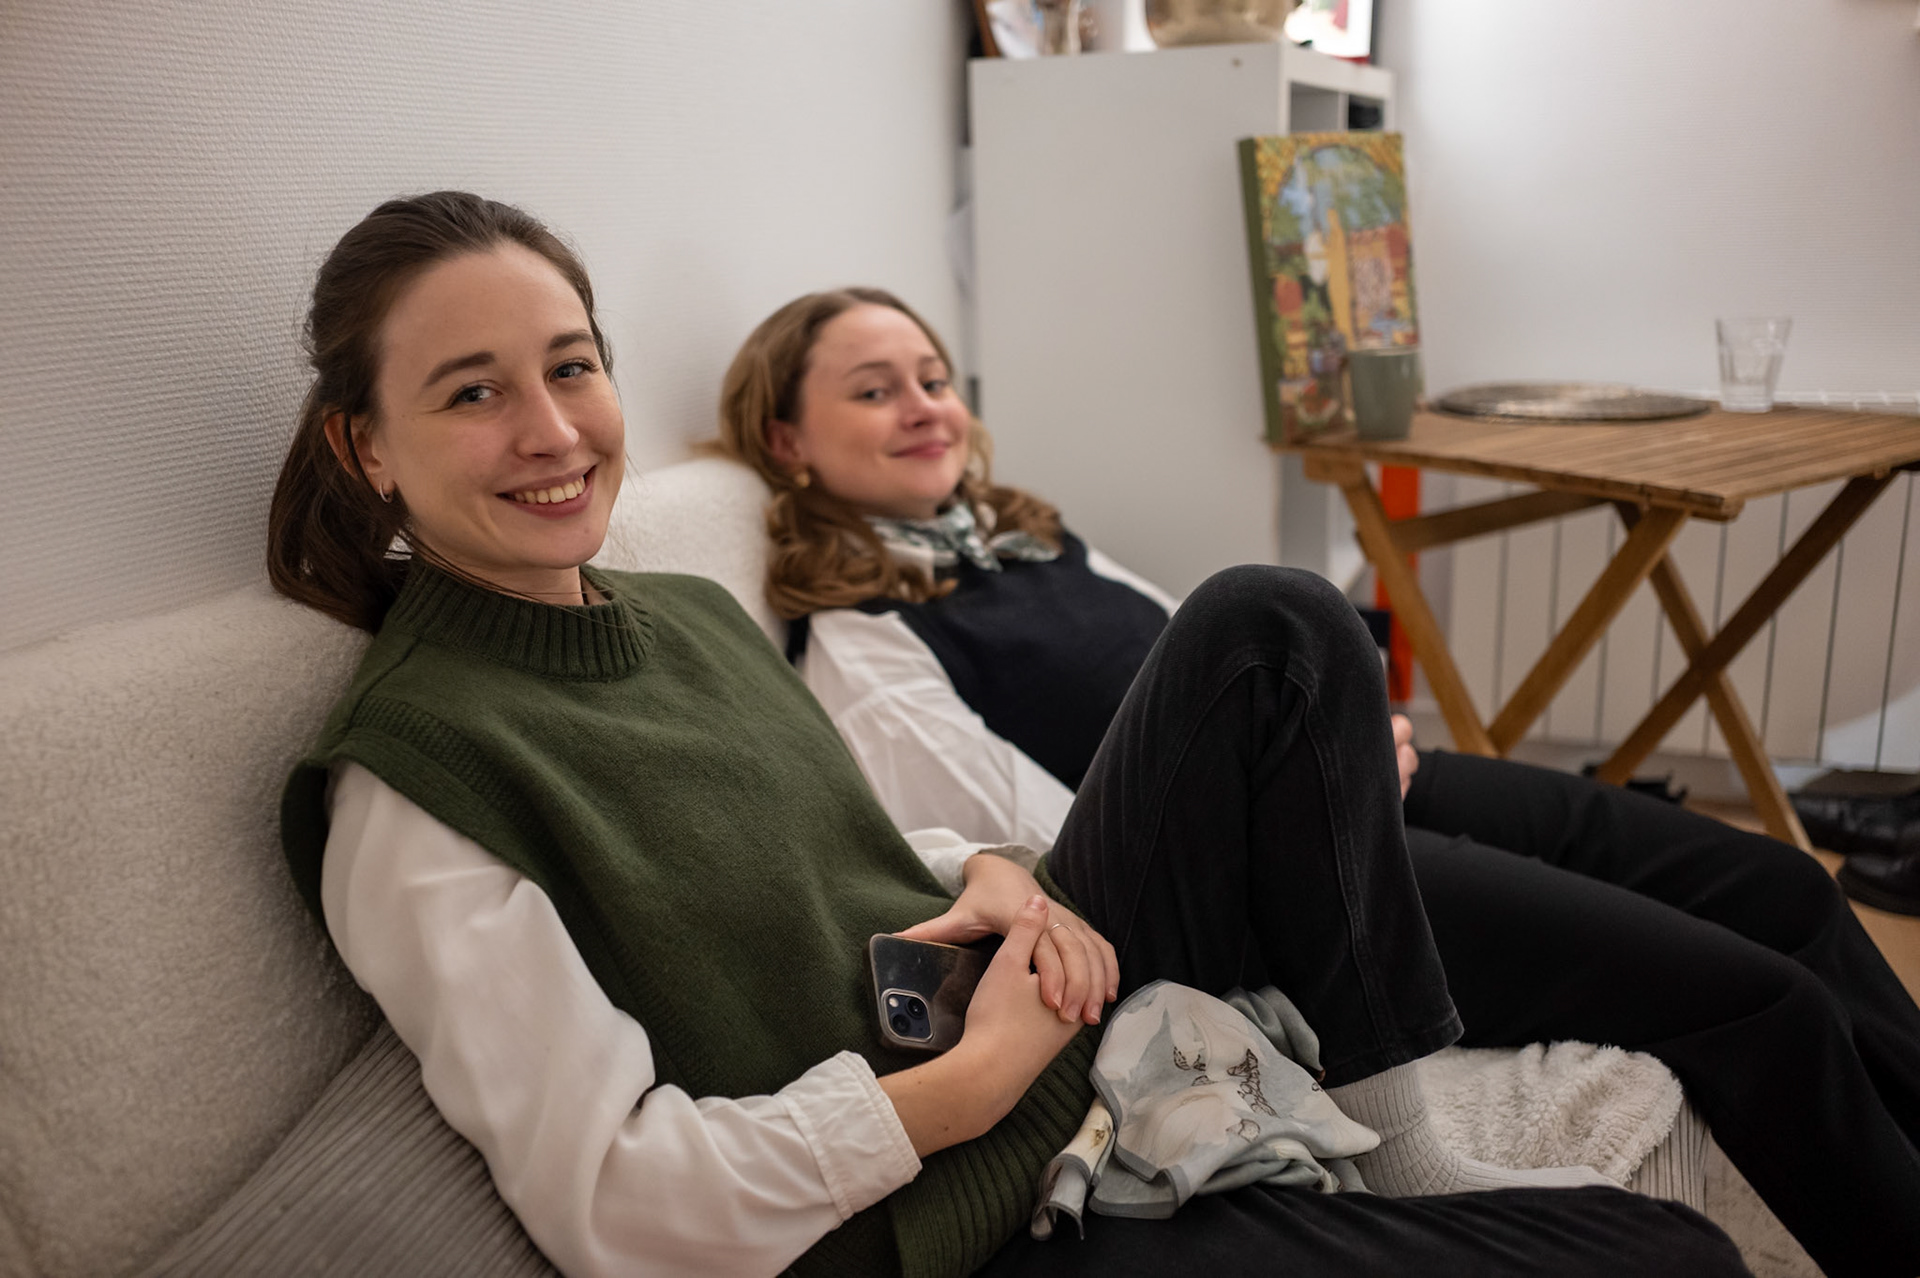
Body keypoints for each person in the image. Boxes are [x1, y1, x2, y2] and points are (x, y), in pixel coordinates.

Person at [266, 193, 1748, 1278]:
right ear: (364, 444)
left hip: (1058, 1039)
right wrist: (970, 1082)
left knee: (1275, 624)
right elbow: (619, 1206)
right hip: (960, 1219)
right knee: (1668, 1259)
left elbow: (835, 845)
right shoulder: (415, 782)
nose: (551, 430)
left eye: (571, 365)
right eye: (474, 393)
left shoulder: (688, 616)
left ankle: (1403, 1147)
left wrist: (985, 871)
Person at [713, 285, 1920, 1278]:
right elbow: (1053, 845)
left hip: (1365, 783)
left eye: (933, 378)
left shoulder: (1030, 540)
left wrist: (1350, 726)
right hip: (1273, 874)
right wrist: (1299, 779)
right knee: (1760, 1005)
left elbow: (1184, 651)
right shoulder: (863, 636)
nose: (923, 406)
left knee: (1786, 890)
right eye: (874, 390)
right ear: (786, 442)